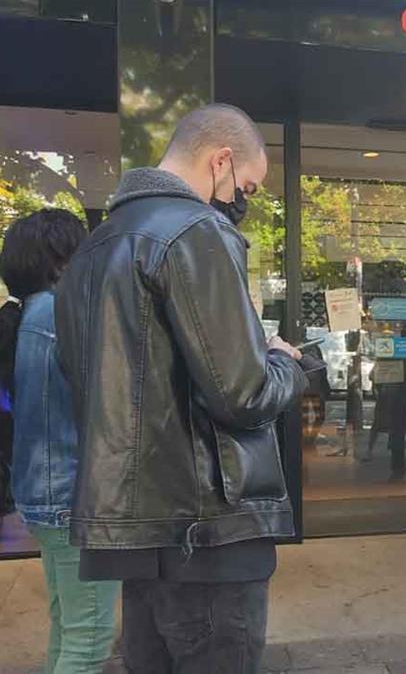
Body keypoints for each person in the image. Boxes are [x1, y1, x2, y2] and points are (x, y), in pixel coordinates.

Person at [54, 104, 306, 674]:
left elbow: (86, 380)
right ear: (221, 161)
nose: (243, 201)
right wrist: (283, 363)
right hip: (208, 531)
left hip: (137, 540)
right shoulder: (197, 231)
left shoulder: (92, 249)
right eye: (247, 186)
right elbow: (243, 394)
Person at [0, 208, 119, 673]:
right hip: (73, 498)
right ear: (64, 259)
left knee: (68, 626)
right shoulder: (60, 313)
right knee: (89, 641)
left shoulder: (28, 314)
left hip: (44, 496)